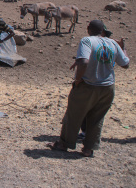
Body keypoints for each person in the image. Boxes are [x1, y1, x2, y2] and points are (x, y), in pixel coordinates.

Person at [48, 19, 129, 157]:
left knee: (74, 114)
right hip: (108, 88)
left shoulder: (87, 41)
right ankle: (88, 148)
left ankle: (64, 144)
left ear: (88, 28)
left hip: (88, 85)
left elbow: (84, 62)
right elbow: (125, 64)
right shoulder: (113, 43)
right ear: (103, 30)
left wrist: (78, 80)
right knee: (97, 118)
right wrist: (123, 49)